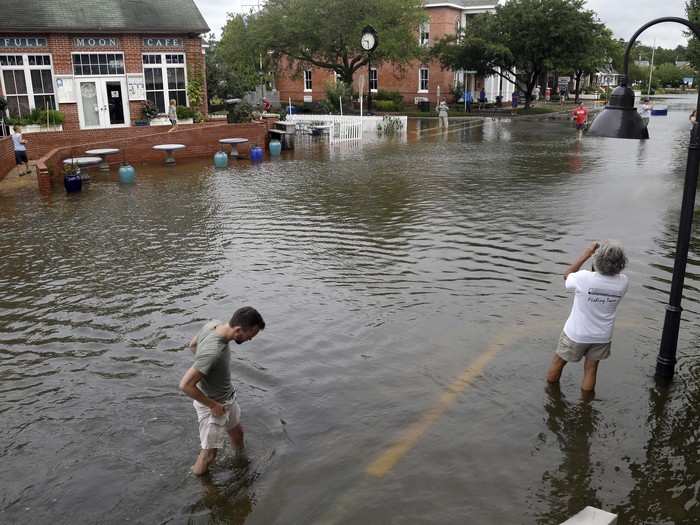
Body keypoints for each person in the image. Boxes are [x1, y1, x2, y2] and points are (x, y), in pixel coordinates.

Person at [180, 306, 266, 475]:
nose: (250, 339)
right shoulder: (213, 352)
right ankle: (204, 489)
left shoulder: (214, 324)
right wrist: (212, 405)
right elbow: (185, 385)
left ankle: (241, 466)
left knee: (237, 433)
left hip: (227, 399)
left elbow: (193, 344)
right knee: (209, 455)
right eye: (251, 335)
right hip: (214, 406)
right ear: (239, 329)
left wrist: (206, 369)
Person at [546, 241, 629, 393]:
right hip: (602, 336)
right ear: (621, 263)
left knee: (558, 362)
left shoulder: (583, 278)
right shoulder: (623, 282)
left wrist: (586, 253)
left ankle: (550, 395)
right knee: (591, 370)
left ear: (597, 260)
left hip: (576, 334)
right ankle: (585, 406)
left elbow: (567, 275)